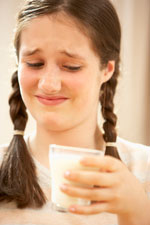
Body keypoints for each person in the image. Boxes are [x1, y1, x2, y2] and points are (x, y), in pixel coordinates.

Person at [0, 0, 150, 224]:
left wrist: (138, 210)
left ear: (107, 69)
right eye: (34, 63)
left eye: (71, 66)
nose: (48, 84)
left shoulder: (144, 169)